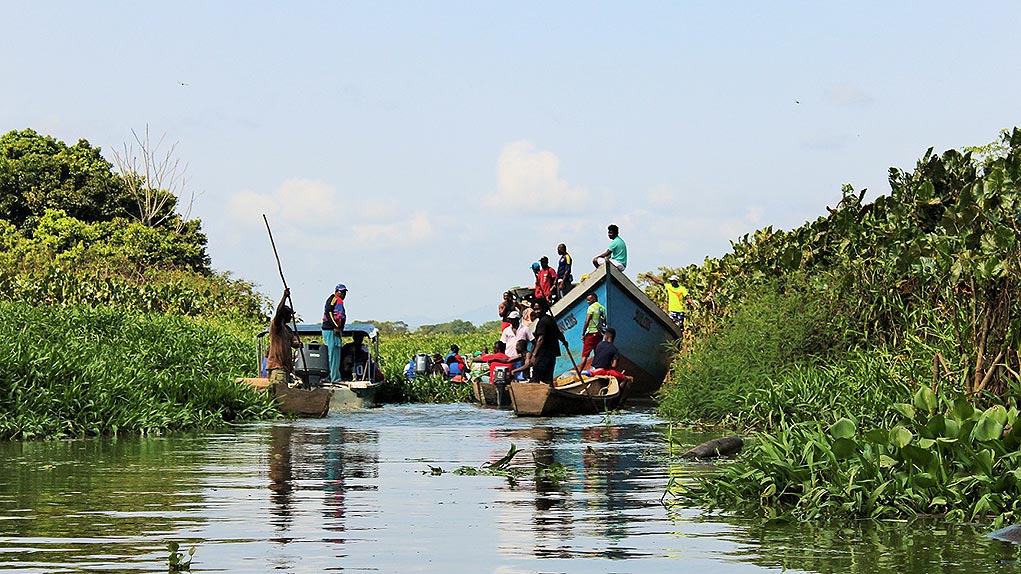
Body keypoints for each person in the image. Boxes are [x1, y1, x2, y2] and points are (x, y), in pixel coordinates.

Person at [267, 288, 302, 386]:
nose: (291, 317)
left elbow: (293, 343)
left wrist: (298, 344)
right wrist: (284, 297)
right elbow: (278, 312)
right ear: (284, 315)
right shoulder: (276, 326)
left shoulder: (288, 330)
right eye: (289, 315)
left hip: (285, 369)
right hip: (277, 367)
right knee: (279, 395)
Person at [530, 297, 568, 385]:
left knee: (536, 377)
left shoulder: (542, 322)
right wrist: (564, 341)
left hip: (543, 354)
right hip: (551, 354)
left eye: (538, 309)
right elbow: (558, 333)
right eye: (535, 309)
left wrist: (534, 354)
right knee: (548, 378)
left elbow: (540, 339)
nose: (536, 312)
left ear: (543, 308)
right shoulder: (550, 319)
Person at [322, 283, 348, 382]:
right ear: (337, 291)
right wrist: (335, 326)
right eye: (341, 292)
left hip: (336, 331)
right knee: (331, 353)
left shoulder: (340, 301)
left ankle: (335, 376)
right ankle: (333, 378)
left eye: (344, 292)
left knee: (336, 353)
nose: (343, 294)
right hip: (330, 330)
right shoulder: (333, 298)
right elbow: (329, 311)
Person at [580, 292, 607, 368]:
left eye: (589, 300)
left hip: (591, 333)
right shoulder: (602, 308)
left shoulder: (591, 307)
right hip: (599, 334)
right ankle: (598, 370)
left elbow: (587, 321)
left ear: (594, 299)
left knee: (584, 355)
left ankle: (579, 372)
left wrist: (583, 333)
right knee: (597, 353)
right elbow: (604, 322)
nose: (588, 302)